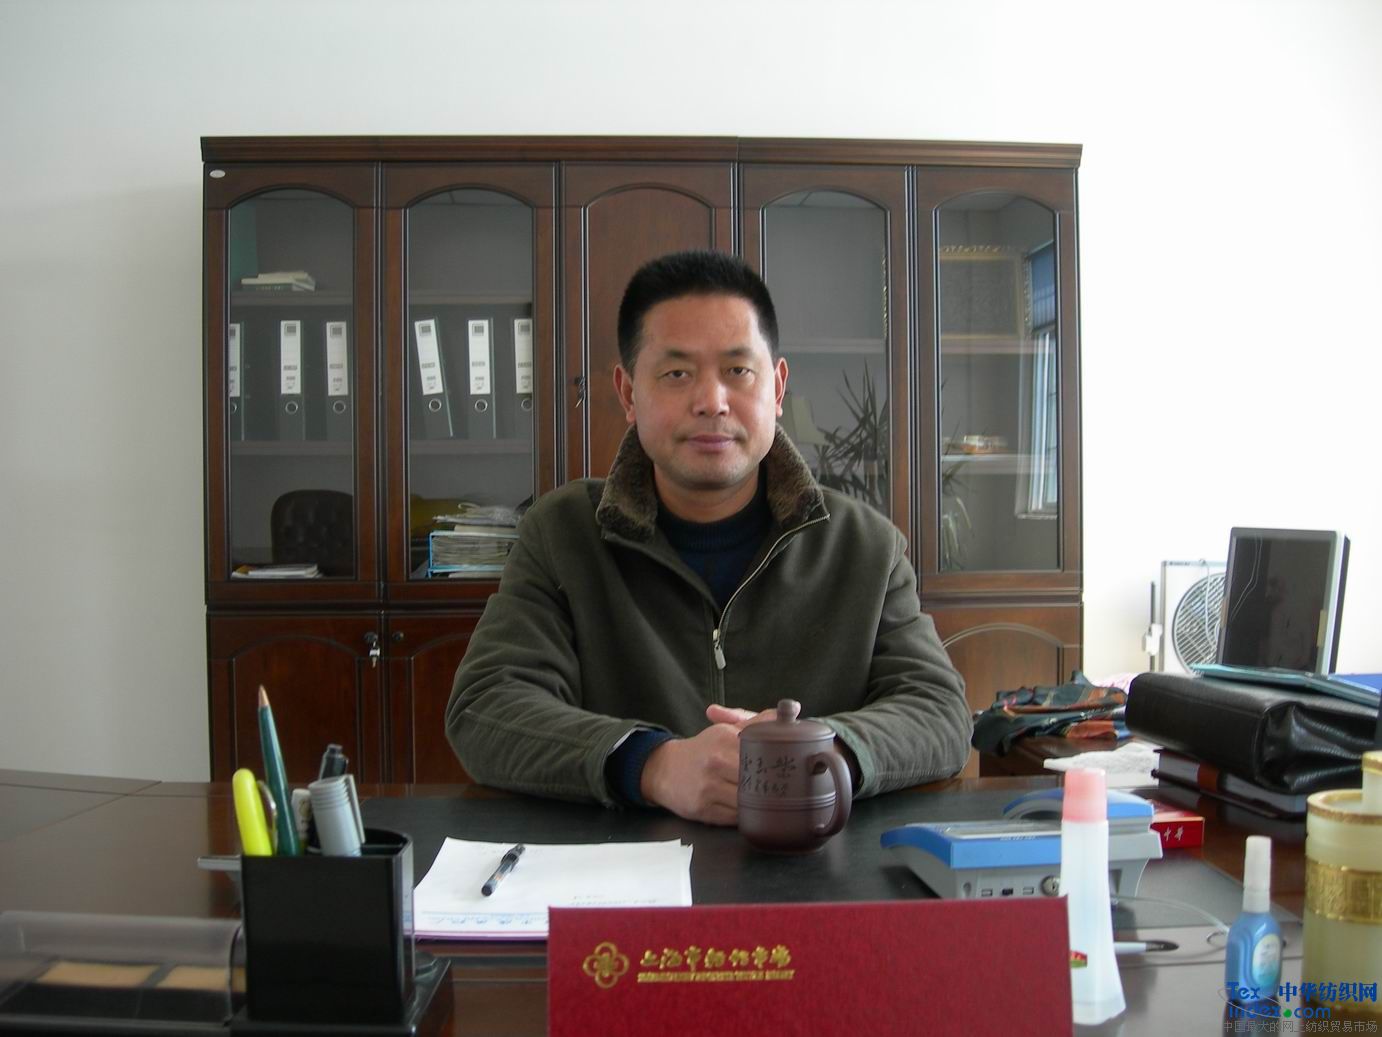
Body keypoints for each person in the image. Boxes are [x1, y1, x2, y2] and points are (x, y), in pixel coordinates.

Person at [446, 250, 971, 825]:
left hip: (814, 855)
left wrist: (818, 753)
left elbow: (940, 712)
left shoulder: (865, 547)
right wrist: (654, 765)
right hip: (625, 865)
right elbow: (486, 707)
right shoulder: (562, 533)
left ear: (777, 388)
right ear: (628, 393)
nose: (711, 402)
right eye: (677, 374)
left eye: (738, 371)